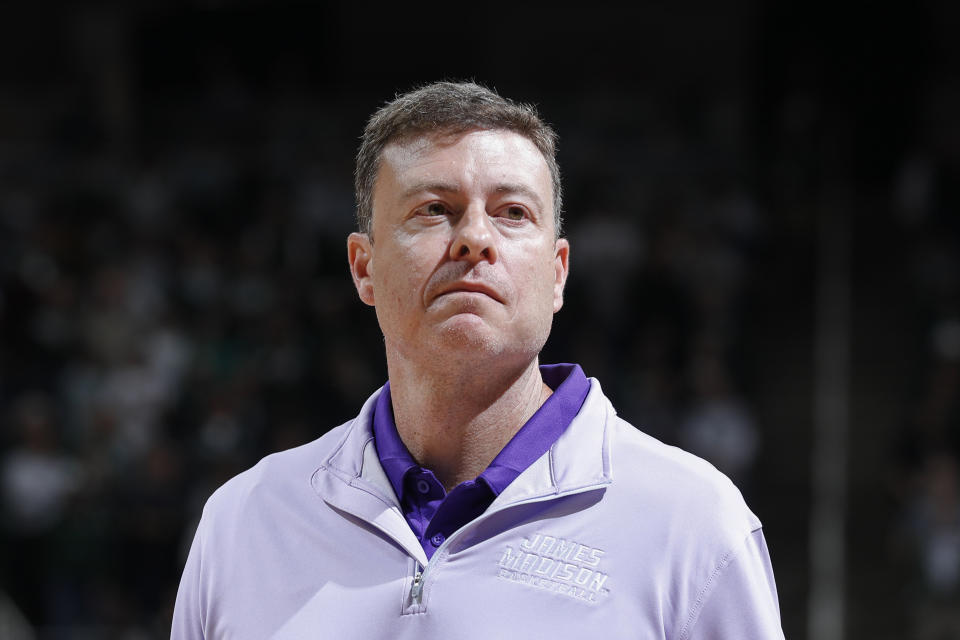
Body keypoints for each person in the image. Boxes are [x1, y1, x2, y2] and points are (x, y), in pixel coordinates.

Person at [171, 81, 784, 639]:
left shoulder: (691, 524)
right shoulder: (244, 521)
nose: (475, 238)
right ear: (364, 268)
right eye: (433, 209)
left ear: (557, 274)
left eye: (512, 213)